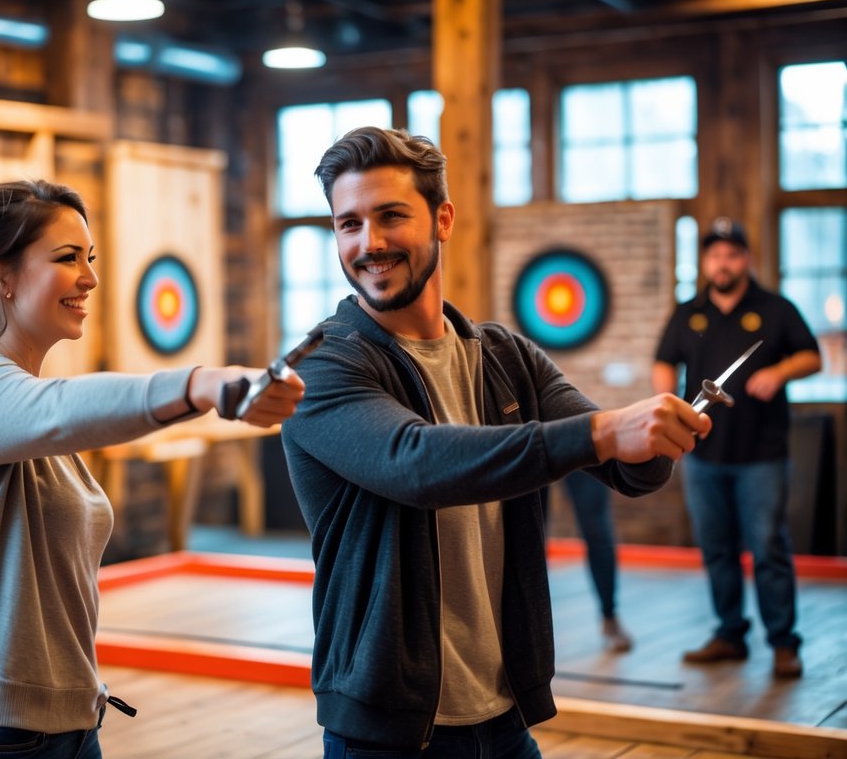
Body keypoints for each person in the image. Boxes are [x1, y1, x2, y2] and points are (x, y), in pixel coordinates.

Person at [0, 179, 304, 759]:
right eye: (66, 258)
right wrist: (200, 383)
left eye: (90, 258)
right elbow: (61, 410)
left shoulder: (15, 398)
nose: (90, 278)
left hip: (73, 725)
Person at [280, 127, 711, 758]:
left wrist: (663, 434)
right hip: (386, 729)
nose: (369, 243)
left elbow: (629, 471)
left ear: (443, 219)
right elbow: (418, 464)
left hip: (504, 717)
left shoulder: (507, 356)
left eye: (391, 216)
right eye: (348, 224)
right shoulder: (321, 366)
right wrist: (605, 430)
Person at [653, 217, 821, 680]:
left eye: (731, 254)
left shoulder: (776, 308)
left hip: (762, 453)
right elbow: (663, 364)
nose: (722, 263)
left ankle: (784, 644)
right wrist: (667, 407)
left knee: (767, 547)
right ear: (705, 261)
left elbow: (813, 355)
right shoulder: (689, 312)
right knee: (716, 547)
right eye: (714, 254)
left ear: (744, 258)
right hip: (702, 453)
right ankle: (729, 634)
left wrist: (779, 373)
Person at [550, 471, 633, 652]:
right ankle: (528, 626)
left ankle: (610, 617)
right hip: (529, 443)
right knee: (529, 532)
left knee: (597, 529)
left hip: (580, 446)